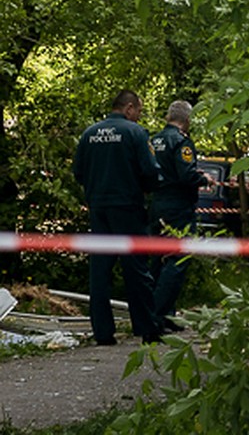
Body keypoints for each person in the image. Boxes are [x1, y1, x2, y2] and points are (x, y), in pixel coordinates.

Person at [71, 89, 163, 344]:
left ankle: (103, 333)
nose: (138, 116)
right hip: (128, 207)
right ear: (130, 107)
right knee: (136, 268)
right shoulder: (135, 133)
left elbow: (78, 171)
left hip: (98, 208)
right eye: (139, 111)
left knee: (100, 270)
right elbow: (150, 171)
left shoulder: (88, 134)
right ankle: (147, 329)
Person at [149, 99, 218, 330]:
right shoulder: (181, 141)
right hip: (178, 206)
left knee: (158, 260)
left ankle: (165, 316)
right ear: (187, 120)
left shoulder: (154, 140)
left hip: (157, 203)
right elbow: (186, 175)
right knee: (178, 259)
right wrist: (204, 179)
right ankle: (156, 317)